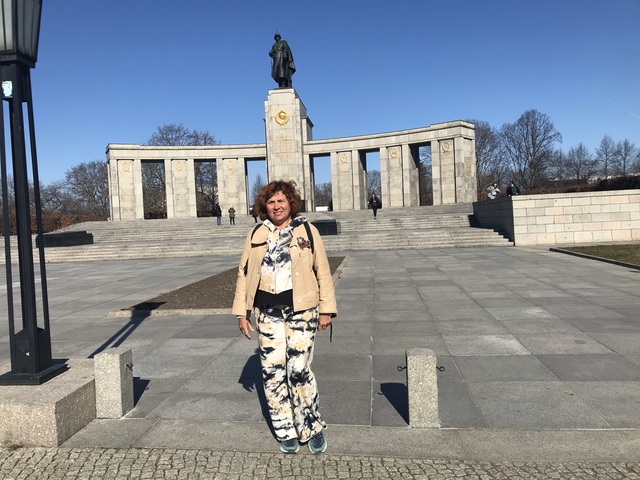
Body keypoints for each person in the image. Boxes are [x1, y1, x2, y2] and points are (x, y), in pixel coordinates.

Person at [233, 179, 337, 455]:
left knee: (299, 369)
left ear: (291, 203)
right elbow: (244, 273)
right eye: (271, 202)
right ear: (264, 206)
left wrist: (326, 309)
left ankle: (310, 426)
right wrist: (242, 312)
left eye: (281, 200)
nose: (276, 206)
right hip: (267, 314)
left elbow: (322, 270)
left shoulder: (307, 230)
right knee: (272, 372)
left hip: (302, 311)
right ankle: (285, 429)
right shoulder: (256, 233)